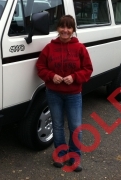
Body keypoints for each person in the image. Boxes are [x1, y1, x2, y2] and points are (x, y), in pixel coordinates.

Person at [36, 15, 93, 172]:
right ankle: (60, 154)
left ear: (73, 30)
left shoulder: (80, 48)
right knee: (58, 125)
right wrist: (51, 76)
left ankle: (75, 156)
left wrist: (74, 77)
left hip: (73, 94)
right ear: (58, 29)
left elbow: (88, 69)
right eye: (62, 27)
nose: (65, 30)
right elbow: (40, 67)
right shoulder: (49, 48)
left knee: (75, 126)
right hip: (53, 93)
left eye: (69, 27)